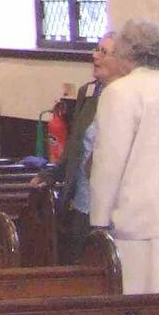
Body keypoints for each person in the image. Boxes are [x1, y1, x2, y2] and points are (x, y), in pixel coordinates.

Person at [89, 18, 159, 294]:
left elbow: (109, 161)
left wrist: (99, 220)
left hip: (139, 220)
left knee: (140, 309)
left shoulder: (120, 92)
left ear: (126, 52)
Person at [55, 34, 115, 263]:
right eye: (96, 49)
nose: (95, 56)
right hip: (82, 199)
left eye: (103, 52)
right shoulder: (88, 92)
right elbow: (74, 142)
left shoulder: (127, 96)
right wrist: (54, 173)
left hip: (111, 206)